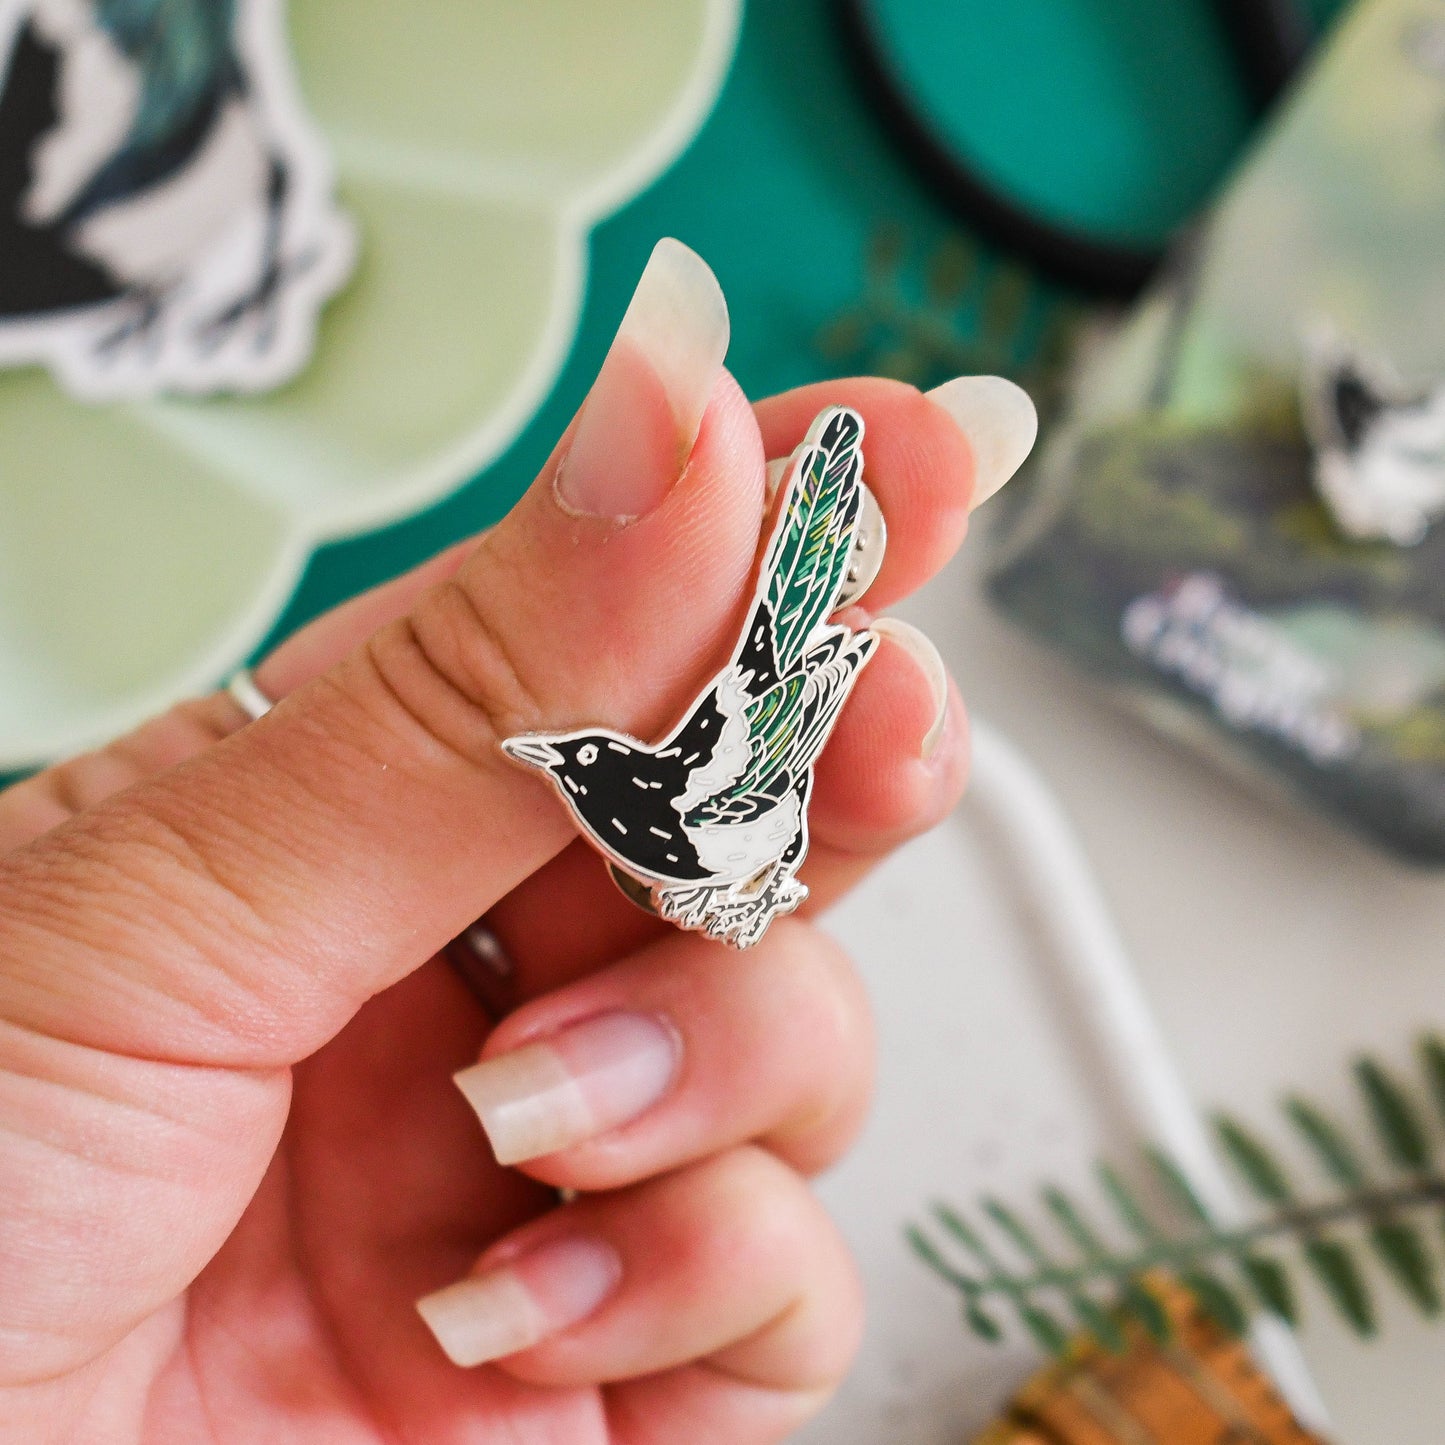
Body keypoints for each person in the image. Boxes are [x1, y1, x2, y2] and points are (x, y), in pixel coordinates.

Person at [0, 241, 1035, 1443]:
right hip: (742, 749)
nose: (567, 757)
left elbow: (765, 715)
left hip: (754, 733)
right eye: (580, 757)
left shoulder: (672, 788)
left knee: (779, 667)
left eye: (582, 760)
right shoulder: (656, 794)